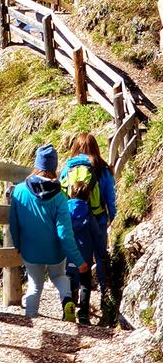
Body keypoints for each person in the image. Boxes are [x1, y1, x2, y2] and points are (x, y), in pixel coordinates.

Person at [9, 143, 89, 321]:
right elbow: (65, 234)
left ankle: (30, 317)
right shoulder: (59, 196)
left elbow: (13, 223)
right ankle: (67, 300)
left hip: (30, 250)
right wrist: (78, 260)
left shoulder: (19, 191)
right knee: (59, 276)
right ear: (54, 167)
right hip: (55, 252)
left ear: (36, 164)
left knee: (35, 284)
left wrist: (17, 244)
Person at [59, 133, 117, 322]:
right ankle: (105, 296)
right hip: (97, 217)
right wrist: (113, 218)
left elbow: (60, 196)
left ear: (76, 147)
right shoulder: (102, 169)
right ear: (95, 148)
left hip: (72, 219)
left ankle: (72, 296)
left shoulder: (67, 168)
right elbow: (110, 197)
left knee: (75, 257)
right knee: (100, 256)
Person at [65, 178, 104, 325]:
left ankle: (67, 306)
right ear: (88, 196)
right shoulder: (88, 213)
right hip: (85, 256)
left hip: (68, 255)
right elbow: (97, 235)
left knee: (68, 280)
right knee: (85, 284)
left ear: (71, 194)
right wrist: (101, 254)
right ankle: (83, 314)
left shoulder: (64, 211)